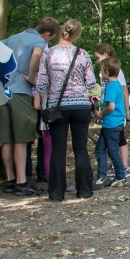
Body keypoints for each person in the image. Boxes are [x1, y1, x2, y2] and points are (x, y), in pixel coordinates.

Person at [35, 19, 97, 201]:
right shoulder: (82, 54)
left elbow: (42, 83)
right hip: (80, 106)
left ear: (62, 31)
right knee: (80, 148)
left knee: (58, 149)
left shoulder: (49, 53)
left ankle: (56, 193)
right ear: (77, 34)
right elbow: (91, 82)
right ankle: (85, 190)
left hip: (58, 107)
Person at [0, 17, 60, 196]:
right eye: (51, 37)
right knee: (21, 140)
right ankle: (22, 182)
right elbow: (36, 54)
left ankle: (9, 180)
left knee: (7, 139)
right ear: (47, 33)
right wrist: (32, 77)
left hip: (4, 92)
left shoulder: (11, 38)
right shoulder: (39, 41)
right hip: (21, 93)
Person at [93, 43, 130, 179]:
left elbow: (112, 106)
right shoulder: (112, 83)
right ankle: (102, 176)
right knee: (101, 149)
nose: (97, 61)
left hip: (112, 122)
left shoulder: (112, 85)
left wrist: (101, 113)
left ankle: (121, 174)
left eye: (98, 58)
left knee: (113, 150)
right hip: (112, 121)